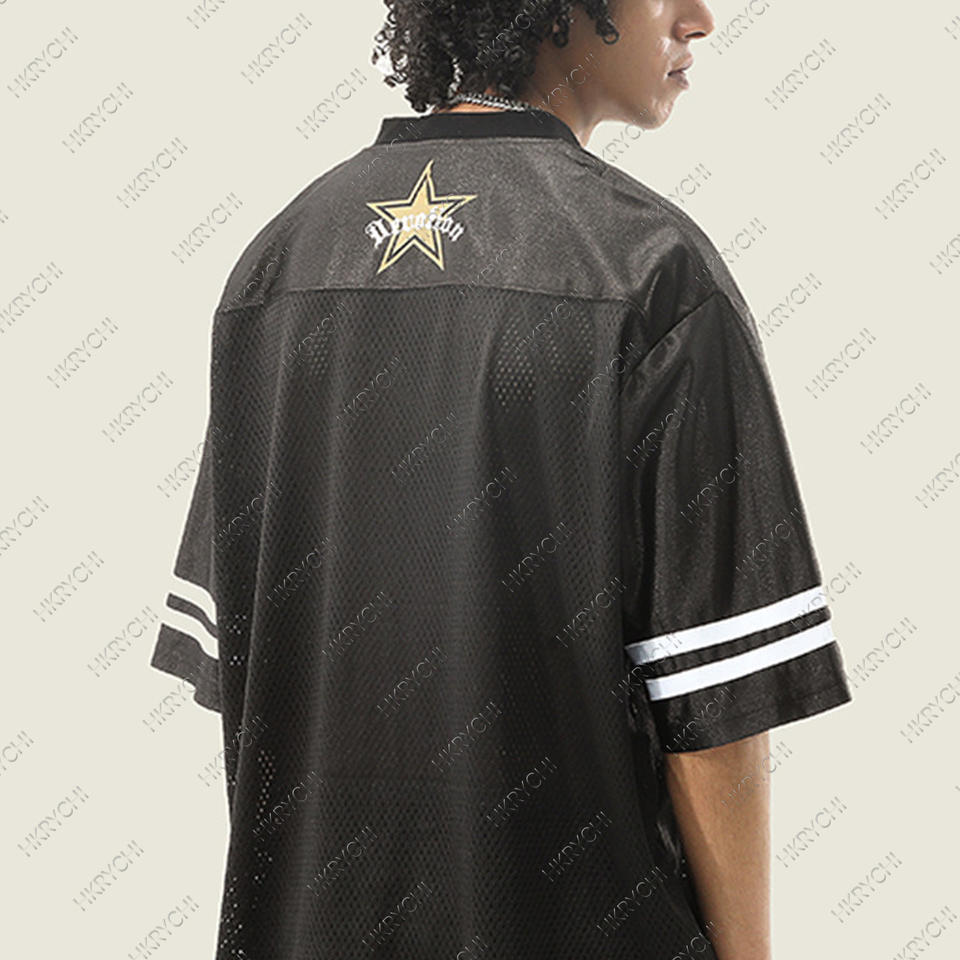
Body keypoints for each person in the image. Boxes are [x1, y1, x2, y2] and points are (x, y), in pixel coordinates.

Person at [150, 2, 854, 958]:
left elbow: (254, 676)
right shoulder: (651, 274)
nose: (700, 19)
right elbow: (718, 704)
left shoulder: (276, 265)